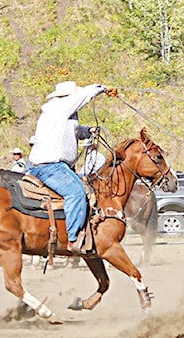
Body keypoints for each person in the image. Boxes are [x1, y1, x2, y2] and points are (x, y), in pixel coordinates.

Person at [26, 80, 117, 254]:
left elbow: (73, 129)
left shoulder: (59, 112)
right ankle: (74, 239)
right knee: (76, 193)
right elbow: (82, 97)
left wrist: (88, 130)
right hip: (50, 165)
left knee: (85, 189)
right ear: (67, 96)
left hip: (56, 165)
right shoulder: (60, 106)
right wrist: (102, 88)